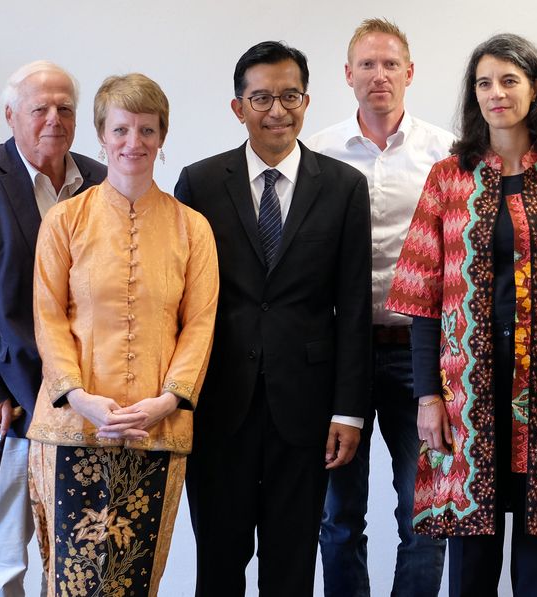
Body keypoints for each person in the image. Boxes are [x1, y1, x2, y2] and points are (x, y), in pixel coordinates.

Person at [386, 33, 537, 596]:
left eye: (509, 80)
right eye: (483, 83)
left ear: (535, 88)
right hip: (468, 398)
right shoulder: (449, 178)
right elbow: (422, 300)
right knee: (469, 556)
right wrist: (429, 398)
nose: (496, 93)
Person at [174, 41, 372, 596]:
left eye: (290, 96)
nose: (277, 110)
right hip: (218, 401)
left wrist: (349, 412)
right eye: (261, 98)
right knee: (218, 556)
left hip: (305, 404)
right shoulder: (199, 183)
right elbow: (180, 302)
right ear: (238, 108)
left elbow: (353, 306)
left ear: (306, 101)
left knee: (291, 563)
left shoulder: (343, 187)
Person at [26, 73, 218, 596]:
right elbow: (47, 316)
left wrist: (167, 402)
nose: (134, 143)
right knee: (71, 579)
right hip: (73, 426)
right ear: (101, 136)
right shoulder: (65, 220)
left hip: (156, 429)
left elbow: (199, 324)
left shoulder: (192, 228)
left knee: (135, 578)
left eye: (147, 130)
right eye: (121, 130)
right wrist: (80, 397)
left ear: (162, 137)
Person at [0, 60, 106, 596]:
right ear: (11, 116)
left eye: (66, 108)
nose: (54, 118)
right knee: (2, 564)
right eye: (40, 108)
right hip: (4, 408)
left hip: (84, 408)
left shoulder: (100, 180)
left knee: (79, 562)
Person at [305, 18, 452, 597]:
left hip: (421, 357)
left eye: (391, 64)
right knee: (338, 517)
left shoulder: (445, 154)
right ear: (348, 75)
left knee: (426, 515)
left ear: (410, 73)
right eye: (367, 64)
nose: (379, 75)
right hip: (342, 358)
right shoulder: (316, 152)